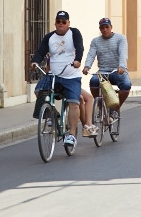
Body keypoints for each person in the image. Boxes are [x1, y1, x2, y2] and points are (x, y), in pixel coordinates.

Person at [30, 11, 98, 148]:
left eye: (64, 22)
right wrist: (35, 62)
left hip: (71, 76)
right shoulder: (49, 37)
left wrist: (78, 60)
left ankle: (71, 135)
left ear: (68, 23)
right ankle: (52, 116)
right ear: (55, 23)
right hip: (53, 75)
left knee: (74, 102)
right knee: (39, 91)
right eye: (58, 21)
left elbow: (80, 47)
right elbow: (40, 51)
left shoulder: (74, 33)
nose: (61, 24)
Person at [83, 17, 131, 123]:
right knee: (93, 81)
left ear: (111, 27)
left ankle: (116, 109)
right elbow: (91, 54)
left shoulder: (120, 38)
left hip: (117, 71)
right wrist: (87, 67)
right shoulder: (96, 41)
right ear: (100, 29)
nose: (105, 30)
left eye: (107, 27)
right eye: (102, 28)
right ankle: (100, 106)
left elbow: (123, 53)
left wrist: (122, 66)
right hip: (103, 71)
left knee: (126, 84)